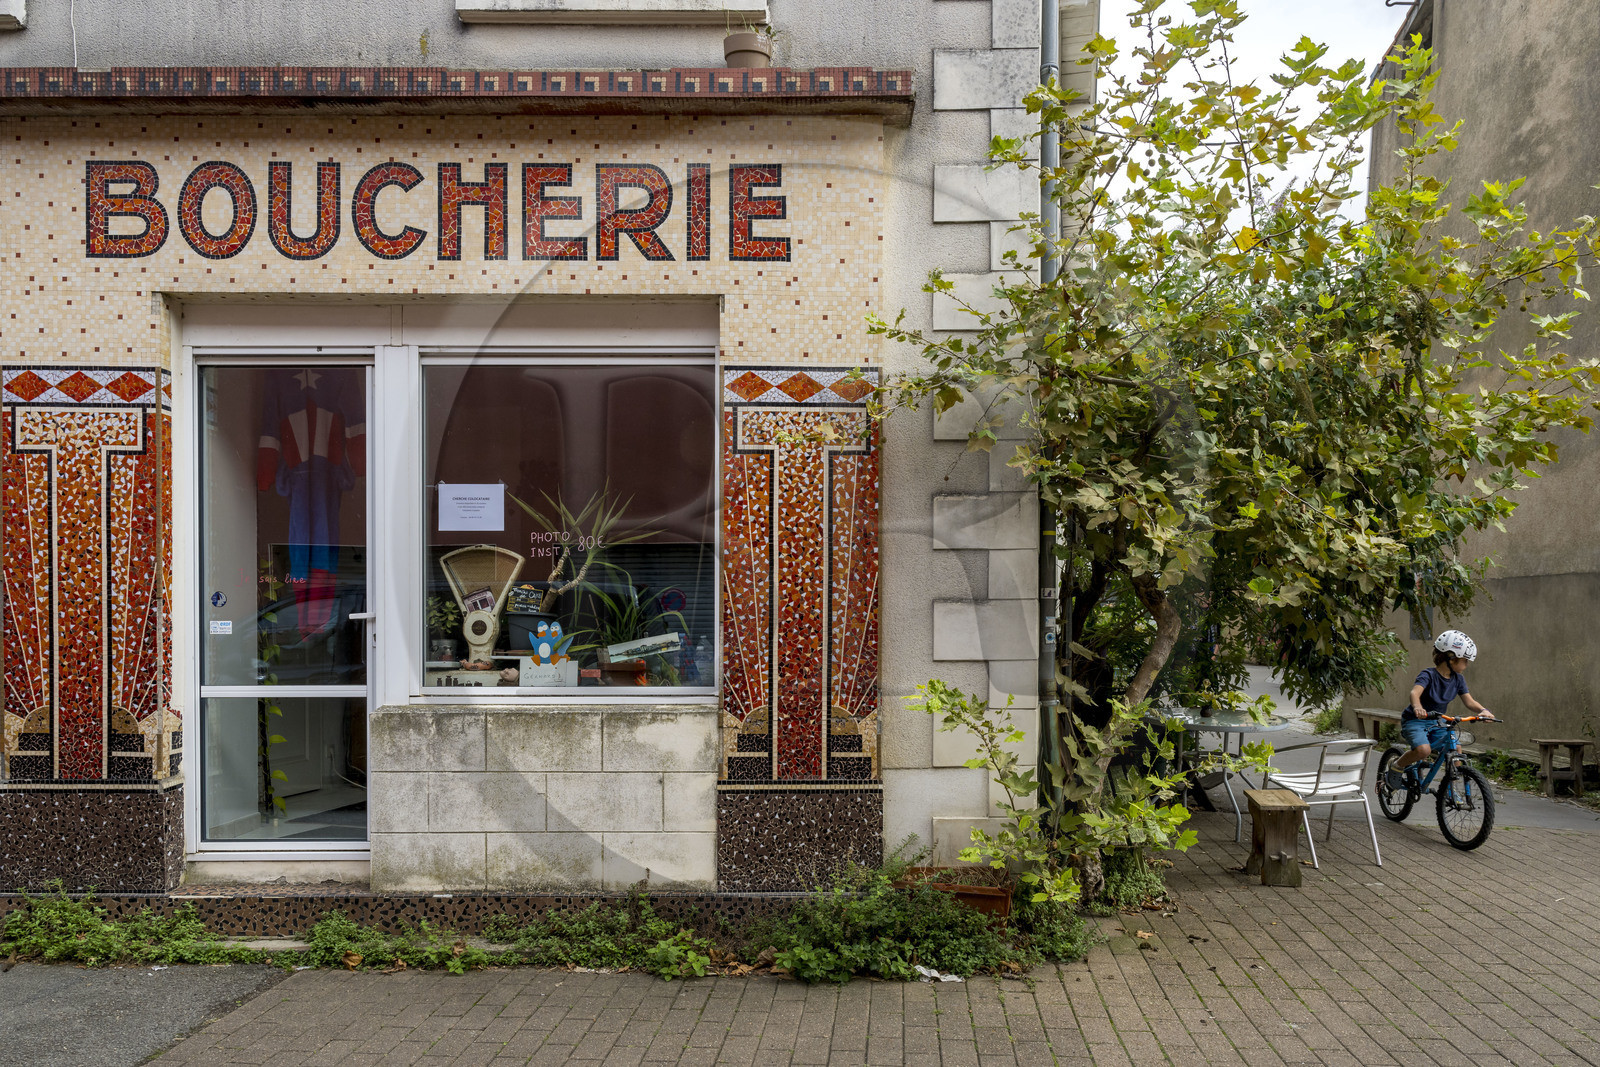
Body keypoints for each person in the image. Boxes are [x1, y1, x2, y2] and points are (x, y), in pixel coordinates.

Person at [1385, 629, 1497, 790]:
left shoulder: (1458, 679)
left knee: (1456, 748)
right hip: (1416, 720)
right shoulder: (1428, 675)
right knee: (1423, 750)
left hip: (1437, 722)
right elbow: (1415, 693)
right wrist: (1418, 707)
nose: (1467, 664)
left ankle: (1451, 790)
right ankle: (1397, 765)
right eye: (1465, 660)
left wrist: (1483, 710)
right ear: (1451, 658)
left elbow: (1469, 701)